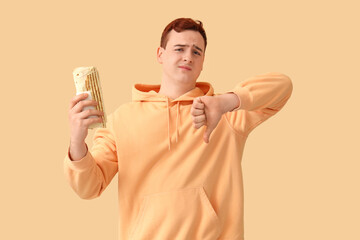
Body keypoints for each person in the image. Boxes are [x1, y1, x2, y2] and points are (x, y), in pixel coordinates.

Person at [64, 17, 293, 240]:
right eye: (179, 49)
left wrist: (225, 102)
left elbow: (282, 86)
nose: (188, 57)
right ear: (160, 55)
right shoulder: (121, 119)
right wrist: (76, 142)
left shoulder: (226, 115)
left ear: (203, 63)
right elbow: (89, 188)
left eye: (196, 52)